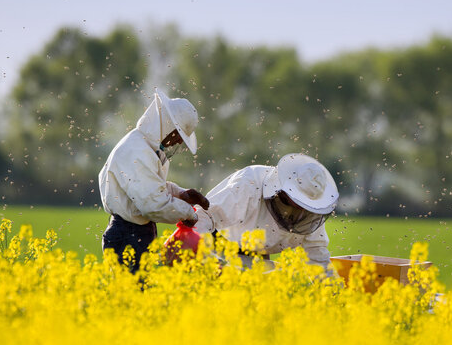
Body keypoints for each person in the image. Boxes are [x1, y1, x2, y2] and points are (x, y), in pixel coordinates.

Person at [99, 88, 209, 273]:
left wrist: (180, 194)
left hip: (137, 233)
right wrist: (189, 214)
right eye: (178, 135)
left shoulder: (144, 147)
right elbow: (152, 203)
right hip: (128, 236)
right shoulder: (137, 150)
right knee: (133, 296)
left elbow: (149, 187)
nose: (178, 143)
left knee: (141, 296)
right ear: (168, 126)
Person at [194, 153, 339, 273]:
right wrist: (208, 258)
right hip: (218, 248)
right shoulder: (248, 182)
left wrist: (335, 293)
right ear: (282, 190)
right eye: (297, 203)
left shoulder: (311, 212)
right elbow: (204, 216)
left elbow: (316, 253)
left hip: (258, 256)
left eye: (305, 207)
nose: (299, 212)